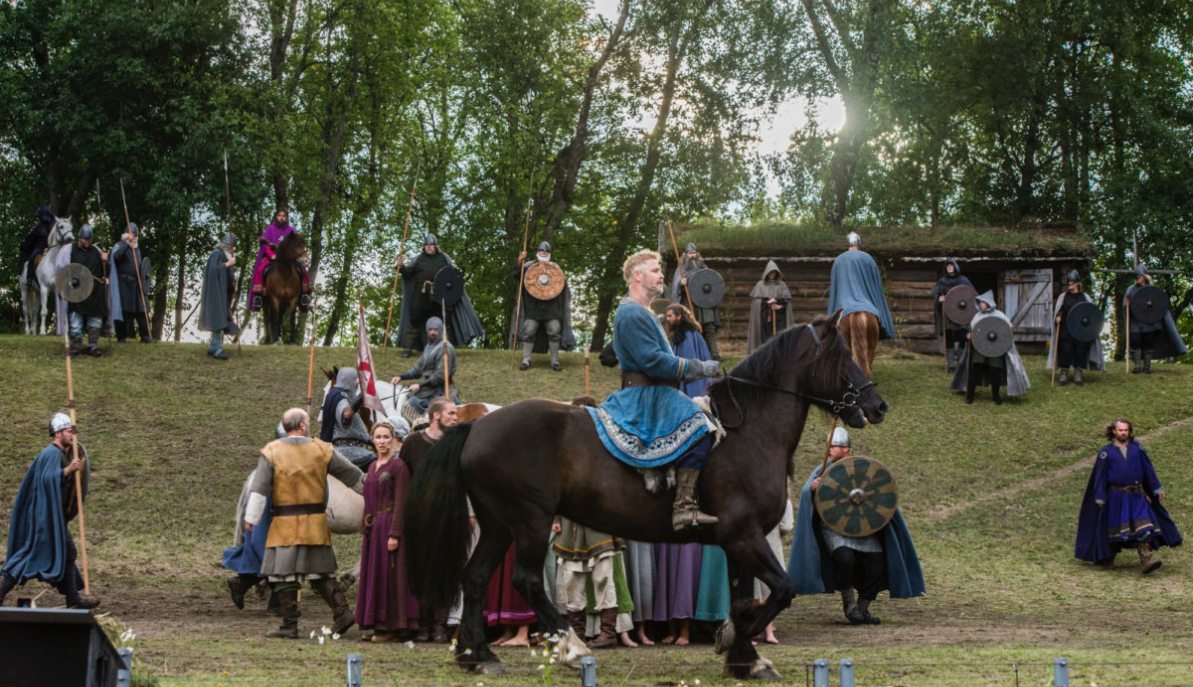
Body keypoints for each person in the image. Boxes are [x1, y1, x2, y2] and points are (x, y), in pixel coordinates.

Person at [585, 251, 721, 531]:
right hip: (646, 395)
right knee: (702, 425)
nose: (661, 275)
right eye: (656, 270)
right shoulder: (631, 312)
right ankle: (683, 507)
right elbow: (654, 362)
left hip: (656, 391)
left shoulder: (643, 312)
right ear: (637, 275)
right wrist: (701, 367)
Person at [244, 408, 364, 638]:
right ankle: (342, 613)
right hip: (314, 525)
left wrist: (252, 517)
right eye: (308, 421)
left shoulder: (271, 451)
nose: (309, 425)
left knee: (283, 574)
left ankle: (290, 625)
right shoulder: (322, 449)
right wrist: (375, 493)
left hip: (284, 525)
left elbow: (259, 488)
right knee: (321, 574)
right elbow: (353, 476)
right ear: (301, 426)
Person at [787, 427, 924, 625]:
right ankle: (850, 606)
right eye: (828, 446)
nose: (829, 449)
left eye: (834, 445)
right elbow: (806, 492)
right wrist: (812, 489)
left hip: (861, 526)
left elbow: (879, 491)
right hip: (834, 526)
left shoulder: (860, 467)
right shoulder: (824, 469)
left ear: (846, 449)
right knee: (845, 560)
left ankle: (862, 608)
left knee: (877, 564)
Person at [551, 396, 634, 649]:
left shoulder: (608, 446)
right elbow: (553, 485)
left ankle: (608, 634)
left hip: (600, 522)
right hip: (571, 524)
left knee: (603, 577)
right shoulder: (562, 448)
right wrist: (555, 517)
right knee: (572, 580)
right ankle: (577, 634)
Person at [652, 304, 713, 644]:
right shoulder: (668, 338)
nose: (669, 318)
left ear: (682, 317)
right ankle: (671, 627)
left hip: (691, 398)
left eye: (673, 315)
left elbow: (695, 369)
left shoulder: (691, 337)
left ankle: (687, 628)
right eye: (668, 316)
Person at [0, 413, 99, 609]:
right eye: (69, 432)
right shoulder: (51, 454)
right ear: (58, 433)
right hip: (44, 518)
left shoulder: (60, 454)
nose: (72, 435)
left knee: (68, 552)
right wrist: (67, 471)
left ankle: (73, 600)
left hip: (53, 516)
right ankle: (1, 590)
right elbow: (46, 480)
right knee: (29, 555)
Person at [1075, 419, 1182, 573]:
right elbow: (1101, 477)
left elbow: (1148, 469)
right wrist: (1100, 497)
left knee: (1144, 527)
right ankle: (1108, 558)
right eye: (1120, 430)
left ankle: (1146, 560)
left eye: (1126, 430)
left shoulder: (1137, 449)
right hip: (1116, 497)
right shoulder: (1106, 453)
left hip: (1136, 495)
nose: (1124, 433)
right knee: (1114, 529)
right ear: (1114, 431)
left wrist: (1156, 488)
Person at [397, 398, 458, 641]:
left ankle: (440, 625)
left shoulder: (455, 443)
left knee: (442, 570)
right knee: (421, 570)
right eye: (451, 413)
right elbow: (402, 478)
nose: (455, 418)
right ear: (436, 416)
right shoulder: (412, 442)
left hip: (447, 517)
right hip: (418, 517)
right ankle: (422, 624)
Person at [356, 419, 420, 642]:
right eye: (378, 437)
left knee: (391, 576)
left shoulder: (398, 466)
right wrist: (365, 528)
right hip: (374, 530)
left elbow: (402, 502)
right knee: (375, 576)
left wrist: (395, 533)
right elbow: (368, 500)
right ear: (372, 440)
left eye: (386, 437)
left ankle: (393, 628)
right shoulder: (372, 466)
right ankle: (378, 625)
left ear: (393, 439)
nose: (382, 441)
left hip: (389, 526)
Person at [394, 233, 484, 356]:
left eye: (431, 245)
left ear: (436, 246)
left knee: (444, 322)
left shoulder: (443, 258)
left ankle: (446, 350)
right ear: (424, 247)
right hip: (421, 295)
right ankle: (408, 350)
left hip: (440, 295)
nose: (429, 247)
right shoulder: (418, 259)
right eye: (426, 245)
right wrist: (400, 267)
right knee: (415, 320)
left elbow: (452, 274)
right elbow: (408, 273)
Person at [949, 291, 1030, 404]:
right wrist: (969, 335)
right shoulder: (977, 316)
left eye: (983, 302)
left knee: (994, 370)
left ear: (989, 303)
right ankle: (970, 395)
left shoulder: (999, 315)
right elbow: (972, 330)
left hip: (995, 348)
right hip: (980, 347)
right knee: (976, 369)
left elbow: (1008, 330)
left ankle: (996, 396)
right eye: (980, 302)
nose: (981, 304)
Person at [513, 241, 576, 371]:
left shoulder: (555, 269)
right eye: (542, 250)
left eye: (546, 251)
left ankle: (554, 362)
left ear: (549, 254)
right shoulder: (529, 266)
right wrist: (520, 260)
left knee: (554, 330)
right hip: (533, 308)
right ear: (538, 252)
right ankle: (526, 360)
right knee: (528, 331)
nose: (544, 253)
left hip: (551, 309)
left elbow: (562, 288)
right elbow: (517, 275)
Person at [1124, 265, 1188, 373]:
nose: (1137, 278)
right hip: (1136, 321)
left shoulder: (1152, 290)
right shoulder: (1131, 290)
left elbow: (1159, 304)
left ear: (1144, 276)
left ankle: (1146, 368)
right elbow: (1126, 303)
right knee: (1135, 341)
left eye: (1139, 276)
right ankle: (1137, 366)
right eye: (1136, 276)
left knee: (1148, 342)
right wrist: (1127, 304)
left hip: (1150, 321)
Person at [1046, 270, 1105, 385]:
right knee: (1066, 350)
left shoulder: (1084, 297)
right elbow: (1059, 310)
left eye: (1072, 282)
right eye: (1069, 282)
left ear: (1078, 283)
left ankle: (1078, 374)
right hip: (1066, 330)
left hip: (1081, 331)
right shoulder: (1063, 297)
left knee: (1080, 350)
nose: (1070, 284)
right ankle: (1064, 374)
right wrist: (1058, 317)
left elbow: (1090, 313)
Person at [58, 224, 108, 358]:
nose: (88, 242)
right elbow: (63, 271)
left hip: (95, 292)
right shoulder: (69, 251)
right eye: (85, 239)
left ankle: (93, 346)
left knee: (95, 321)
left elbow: (106, 272)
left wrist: (105, 261)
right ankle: (75, 347)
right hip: (77, 290)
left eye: (89, 240)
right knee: (75, 321)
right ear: (79, 238)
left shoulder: (96, 251)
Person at [391, 317, 459, 415]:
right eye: (430, 329)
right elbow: (417, 370)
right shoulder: (429, 347)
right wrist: (400, 377)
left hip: (442, 390)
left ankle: (423, 423)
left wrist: (419, 385)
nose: (433, 332)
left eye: (436, 330)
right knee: (407, 397)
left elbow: (439, 377)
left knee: (412, 403)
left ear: (440, 330)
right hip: (430, 389)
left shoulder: (445, 348)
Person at [248, 209, 311, 313]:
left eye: (284, 216)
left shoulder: (291, 230)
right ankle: (258, 297)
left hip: (289, 257)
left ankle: (304, 295)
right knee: (260, 270)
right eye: (279, 215)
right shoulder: (270, 229)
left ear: (286, 218)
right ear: (276, 217)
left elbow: (297, 243)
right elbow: (265, 245)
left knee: (303, 271)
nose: (281, 218)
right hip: (272, 256)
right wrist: (271, 255)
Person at [671, 243, 723, 360]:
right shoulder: (681, 270)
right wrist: (681, 283)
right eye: (690, 253)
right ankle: (697, 354)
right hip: (690, 304)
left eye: (694, 253)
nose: (693, 255)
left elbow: (711, 282)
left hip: (705, 305)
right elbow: (675, 287)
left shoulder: (704, 268)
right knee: (693, 328)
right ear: (685, 255)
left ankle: (715, 354)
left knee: (709, 328)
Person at [320, 368, 376, 472]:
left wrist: (374, 442)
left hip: (347, 448)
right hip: (346, 450)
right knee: (379, 464)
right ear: (349, 380)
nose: (357, 383)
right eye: (356, 380)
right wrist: (363, 392)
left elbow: (358, 431)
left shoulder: (335, 396)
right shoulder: (339, 396)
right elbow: (346, 415)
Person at [109, 223, 152, 343]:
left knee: (142, 309)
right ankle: (121, 337)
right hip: (123, 283)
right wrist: (126, 243)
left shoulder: (137, 249)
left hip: (136, 284)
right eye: (132, 236)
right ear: (126, 236)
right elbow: (116, 257)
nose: (134, 239)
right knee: (122, 310)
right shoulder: (119, 246)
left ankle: (145, 336)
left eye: (135, 237)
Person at [198, 233, 238, 360]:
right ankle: (217, 350)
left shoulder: (225, 255)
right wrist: (227, 264)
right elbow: (213, 271)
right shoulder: (217, 253)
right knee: (218, 321)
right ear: (225, 245)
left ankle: (212, 347)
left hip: (223, 293)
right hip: (215, 294)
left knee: (221, 319)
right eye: (231, 246)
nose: (232, 249)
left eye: (233, 247)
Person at [931, 258, 974, 373]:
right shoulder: (942, 281)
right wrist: (939, 299)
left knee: (963, 336)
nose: (949, 268)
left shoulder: (963, 280)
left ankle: (960, 363)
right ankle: (951, 365)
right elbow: (936, 296)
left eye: (951, 266)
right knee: (948, 337)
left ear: (955, 267)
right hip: (947, 312)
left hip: (961, 312)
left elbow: (970, 295)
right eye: (948, 266)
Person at [747, 260, 792, 354]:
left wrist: (779, 305)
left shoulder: (782, 285)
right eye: (770, 272)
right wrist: (767, 302)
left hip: (779, 319)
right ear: (766, 273)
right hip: (764, 320)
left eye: (774, 272)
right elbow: (756, 303)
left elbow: (786, 302)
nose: (772, 274)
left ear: (777, 273)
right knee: (766, 339)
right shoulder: (760, 285)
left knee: (779, 338)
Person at [18, 203, 56, 284]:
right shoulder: (39, 226)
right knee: (32, 257)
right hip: (40, 246)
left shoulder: (54, 223)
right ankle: (29, 278)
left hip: (52, 246)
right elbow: (32, 238)